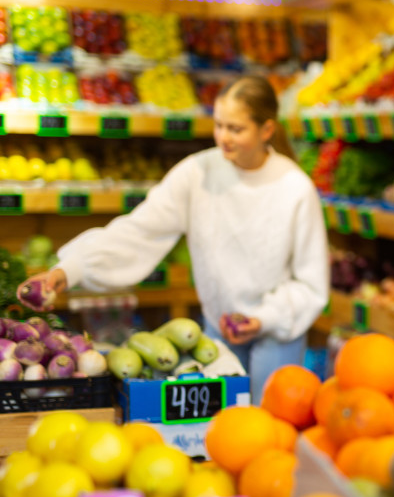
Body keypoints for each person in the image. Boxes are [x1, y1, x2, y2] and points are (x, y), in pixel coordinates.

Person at [18, 76, 329, 402]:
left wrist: (265, 318)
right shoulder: (198, 173)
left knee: (270, 422)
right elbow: (140, 230)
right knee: (222, 424)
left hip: (279, 332)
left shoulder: (295, 187)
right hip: (218, 329)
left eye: (236, 129)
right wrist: (72, 269)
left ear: (266, 130)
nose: (223, 137)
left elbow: (311, 282)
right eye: (219, 125)